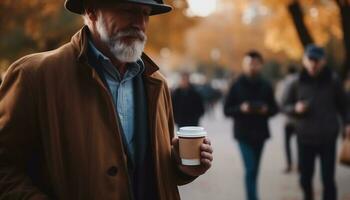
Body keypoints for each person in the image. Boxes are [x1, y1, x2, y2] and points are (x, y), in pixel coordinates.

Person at [0, 0, 213, 199]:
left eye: (145, 13)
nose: (139, 23)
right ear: (91, 10)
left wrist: (181, 167)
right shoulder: (34, 75)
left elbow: (152, 172)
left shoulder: (156, 83)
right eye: (128, 10)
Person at [282, 44, 350, 200]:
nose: (313, 63)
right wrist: (295, 108)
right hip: (305, 138)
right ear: (304, 60)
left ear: (323, 61)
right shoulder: (296, 81)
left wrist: (348, 122)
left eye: (316, 60)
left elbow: (345, 106)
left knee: (328, 181)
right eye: (310, 59)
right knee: (305, 180)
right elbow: (283, 106)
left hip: (328, 138)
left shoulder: (333, 81)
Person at [223, 50, 278, 200]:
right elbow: (226, 110)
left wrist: (266, 109)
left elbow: (275, 109)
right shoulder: (236, 84)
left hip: (260, 134)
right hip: (243, 134)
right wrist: (241, 108)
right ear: (243, 64)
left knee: (254, 171)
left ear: (261, 65)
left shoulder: (266, 85)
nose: (252, 67)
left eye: (255, 64)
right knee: (251, 168)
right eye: (249, 64)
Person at [280, 65, 298, 173]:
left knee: (287, 143)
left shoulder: (284, 83)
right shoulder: (303, 81)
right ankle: (300, 165)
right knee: (300, 143)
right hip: (301, 120)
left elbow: (280, 100)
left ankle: (289, 164)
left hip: (288, 119)